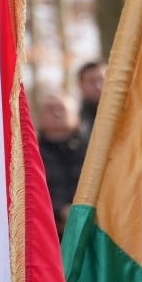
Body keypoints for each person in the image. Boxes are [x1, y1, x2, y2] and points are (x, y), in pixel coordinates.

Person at [36, 92, 88, 237]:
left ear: (76, 116)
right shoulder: (28, 155)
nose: (56, 113)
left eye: (62, 108)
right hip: (45, 234)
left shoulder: (94, 153)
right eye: (50, 109)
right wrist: (59, 212)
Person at [76, 60, 106, 140]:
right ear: (80, 85)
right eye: (92, 82)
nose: (98, 86)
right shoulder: (75, 122)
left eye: (102, 80)